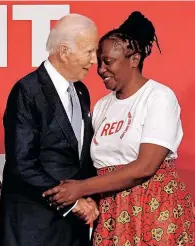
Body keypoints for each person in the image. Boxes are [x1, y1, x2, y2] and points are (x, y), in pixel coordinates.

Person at [44, 11, 195, 246]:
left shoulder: (158, 97)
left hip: (154, 212)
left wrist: (81, 188)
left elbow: (145, 167)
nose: (100, 69)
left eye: (108, 61)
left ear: (134, 59)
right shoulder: (103, 106)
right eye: (99, 61)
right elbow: (93, 166)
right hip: (112, 215)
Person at [0, 14, 100, 246]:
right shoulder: (27, 90)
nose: (94, 60)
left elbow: (80, 157)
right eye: (89, 51)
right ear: (64, 51)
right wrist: (72, 202)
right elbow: (22, 163)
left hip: (73, 228)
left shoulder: (81, 91)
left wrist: (89, 196)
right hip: (34, 227)